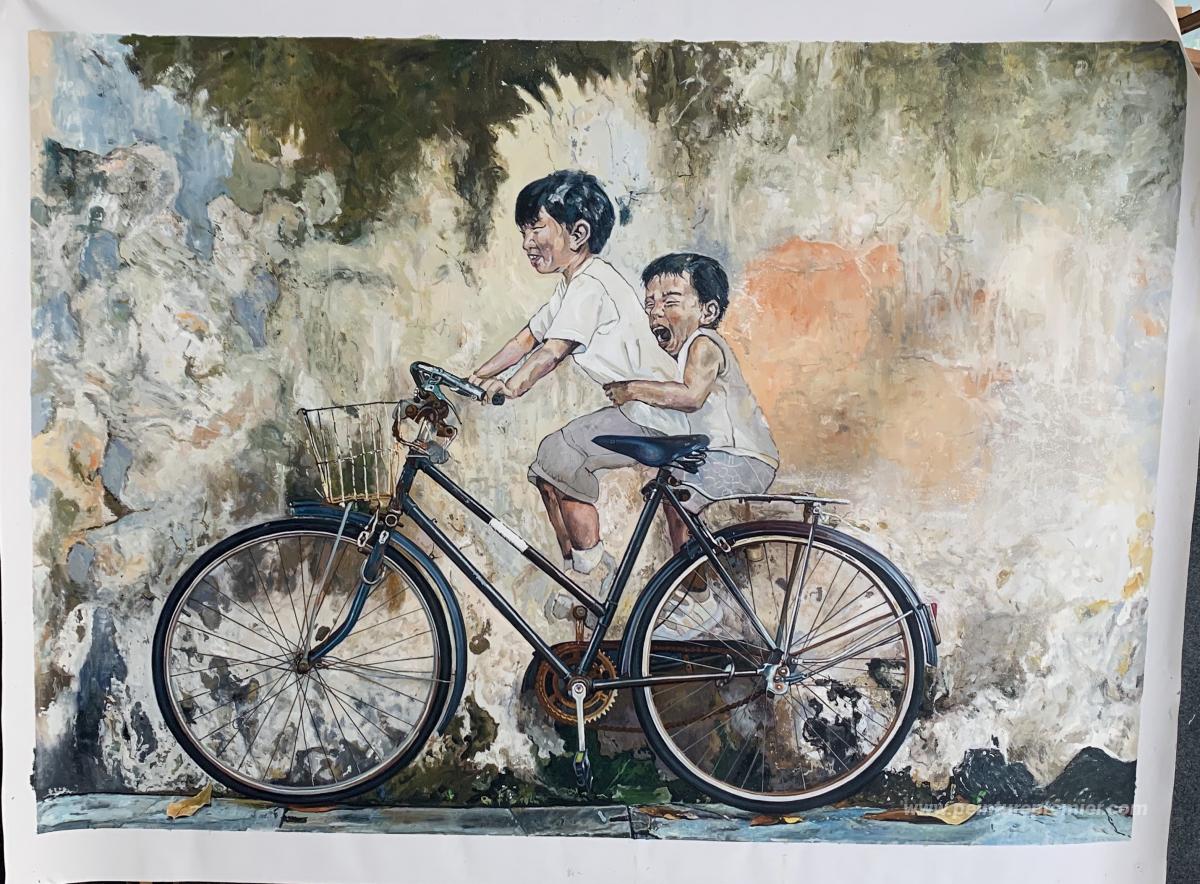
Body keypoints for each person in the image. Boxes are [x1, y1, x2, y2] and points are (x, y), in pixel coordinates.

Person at [469, 170, 686, 582]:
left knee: (559, 454)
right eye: (523, 232)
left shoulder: (592, 284)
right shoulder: (572, 286)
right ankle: (576, 569)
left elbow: (553, 350)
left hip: (655, 413)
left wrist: (510, 387)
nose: (527, 242)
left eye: (536, 228)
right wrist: (473, 377)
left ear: (578, 233)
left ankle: (593, 571)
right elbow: (527, 338)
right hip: (640, 411)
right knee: (547, 470)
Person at [604, 252, 779, 554]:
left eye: (670, 302)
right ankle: (691, 572)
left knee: (676, 496)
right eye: (650, 304)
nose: (656, 313)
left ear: (708, 311)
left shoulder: (703, 343)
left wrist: (632, 390)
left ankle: (692, 578)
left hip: (743, 457)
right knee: (674, 499)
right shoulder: (687, 349)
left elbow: (690, 396)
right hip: (728, 455)